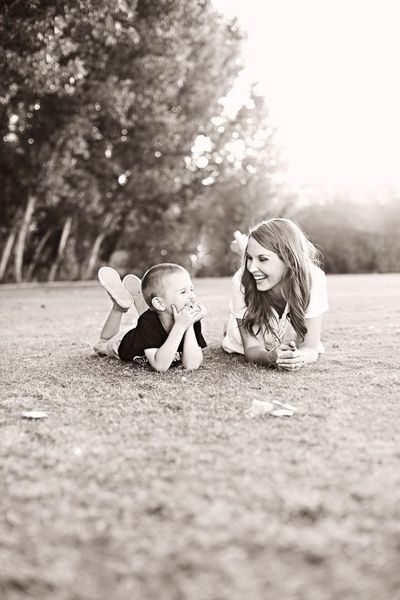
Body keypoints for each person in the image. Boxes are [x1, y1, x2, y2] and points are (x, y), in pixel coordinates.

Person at [222, 218, 328, 370]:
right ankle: (231, 323)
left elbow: (310, 348)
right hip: (246, 333)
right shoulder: (241, 279)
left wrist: (298, 358)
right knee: (234, 330)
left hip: (284, 334)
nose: (251, 268)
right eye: (249, 258)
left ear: (288, 258)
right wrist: (269, 357)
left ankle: (243, 247)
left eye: (263, 259)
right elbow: (252, 348)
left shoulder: (313, 278)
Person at [93, 264, 207, 372]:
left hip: (152, 328)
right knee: (102, 344)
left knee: (154, 323)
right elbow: (160, 366)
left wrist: (189, 324)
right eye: (183, 292)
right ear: (160, 303)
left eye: (192, 289)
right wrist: (180, 326)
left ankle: (144, 303)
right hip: (124, 341)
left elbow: (192, 365)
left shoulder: (188, 318)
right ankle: (119, 308)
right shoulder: (147, 322)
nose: (192, 296)